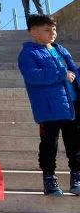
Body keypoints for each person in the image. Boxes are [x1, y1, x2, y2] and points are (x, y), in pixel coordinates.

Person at [18, 14, 80, 196]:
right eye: (47, 29)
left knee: (75, 143)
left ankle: (76, 176)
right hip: (49, 107)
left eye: (54, 29)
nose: (52, 32)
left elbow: (73, 72)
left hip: (72, 104)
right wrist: (61, 73)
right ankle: (49, 178)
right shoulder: (28, 53)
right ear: (33, 32)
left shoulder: (61, 49)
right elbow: (33, 76)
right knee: (49, 144)